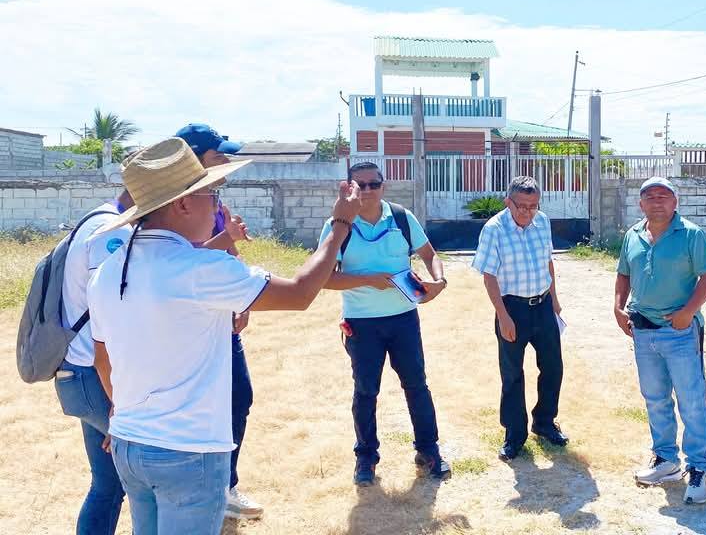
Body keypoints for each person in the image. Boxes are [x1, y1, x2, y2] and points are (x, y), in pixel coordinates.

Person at [88, 137, 363, 535]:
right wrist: (339, 226)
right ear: (184, 204)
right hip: (187, 450)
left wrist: (122, 408)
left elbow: (102, 357)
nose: (217, 205)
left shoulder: (109, 271)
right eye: (212, 194)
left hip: (130, 443)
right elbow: (301, 293)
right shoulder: (200, 269)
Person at [318, 161, 451, 486]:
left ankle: (428, 451)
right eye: (359, 185)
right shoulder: (338, 226)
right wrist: (368, 280)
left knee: (417, 385)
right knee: (366, 391)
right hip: (361, 323)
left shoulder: (402, 218)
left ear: (383, 185)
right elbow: (324, 278)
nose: (366, 191)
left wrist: (438, 281)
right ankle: (366, 458)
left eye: (373, 184)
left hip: (404, 318)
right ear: (349, 189)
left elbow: (430, 254)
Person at [613, 177, 706, 504]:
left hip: (680, 331)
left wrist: (688, 312)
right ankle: (666, 460)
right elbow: (624, 273)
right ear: (641, 204)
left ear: (675, 203)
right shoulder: (632, 235)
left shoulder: (691, 234)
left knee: (691, 400)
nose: (657, 201)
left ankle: (698, 468)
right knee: (655, 398)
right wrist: (618, 307)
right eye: (650, 196)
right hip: (643, 330)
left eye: (664, 196)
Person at [175, 122, 261, 519]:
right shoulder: (176, 203)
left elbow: (226, 257)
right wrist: (226, 240)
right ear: (193, 158)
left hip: (221, 324)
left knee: (237, 398)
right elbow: (179, 265)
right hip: (188, 325)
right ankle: (201, 489)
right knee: (197, 406)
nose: (226, 159)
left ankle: (225, 486)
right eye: (217, 154)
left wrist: (241, 301)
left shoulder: (213, 199)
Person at [54, 189, 135, 534]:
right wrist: (119, 403)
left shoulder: (99, 219)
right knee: (143, 478)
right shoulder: (111, 231)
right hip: (96, 375)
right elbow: (111, 310)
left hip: (84, 373)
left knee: (108, 483)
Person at [472, 176, 568, 461]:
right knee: (512, 374)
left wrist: (554, 300)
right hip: (512, 308)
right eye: (522, 206)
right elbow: (489, 276)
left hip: (543, 305)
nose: (527, 212)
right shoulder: (494, 229)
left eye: (533, 206)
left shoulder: (543, 222)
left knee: (553, 367)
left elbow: (548, 262)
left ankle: (545, 422)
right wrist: (503, 316)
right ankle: (514, 435)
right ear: (508, 202)